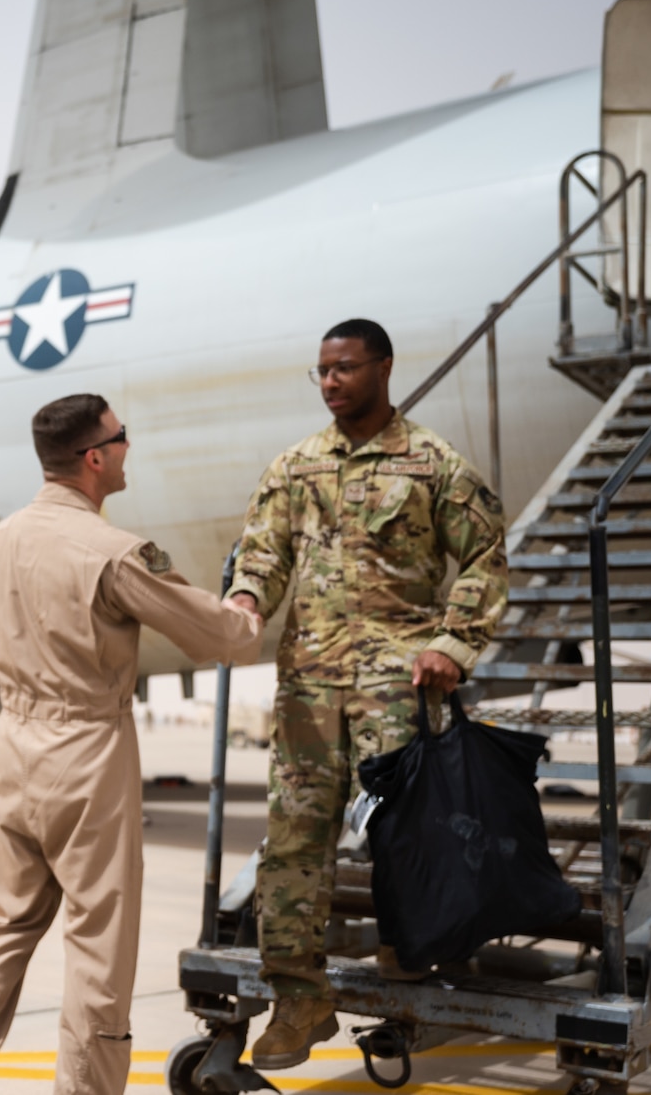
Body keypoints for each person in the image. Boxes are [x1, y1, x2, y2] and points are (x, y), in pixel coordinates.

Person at [0, 394, 264, 1095]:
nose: (127, 447)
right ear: (96, 457)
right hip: (87, 752)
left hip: (16, 749)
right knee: (98, 950)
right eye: (122, 437)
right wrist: (248, 603)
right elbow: (216, 636)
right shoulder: (114, 553)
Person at [224, 318, 507, 1069]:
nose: (330, 382)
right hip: (309, 686)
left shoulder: (432, 463)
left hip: (395, 683)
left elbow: (484, 552)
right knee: (294, 837)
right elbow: (261, 553)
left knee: (404, 832)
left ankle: (409, 957)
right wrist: (248, 599)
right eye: (321, 370)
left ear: (383, 367)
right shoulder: (296, 467)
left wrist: (453, 642)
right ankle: (298, 997)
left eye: (344, 368)